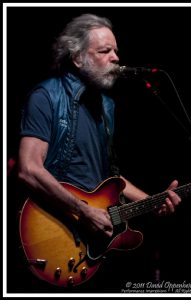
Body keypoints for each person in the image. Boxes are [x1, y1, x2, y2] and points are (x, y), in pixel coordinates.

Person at [17, 13, 181, 289]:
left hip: (94, 240)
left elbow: (110, 177)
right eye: (105, 51)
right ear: (78, 58)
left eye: (116, 50)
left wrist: (153, 201)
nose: (116, 57)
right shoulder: (46, 96)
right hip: (57, 226)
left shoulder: (106, 107)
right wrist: (83, 211)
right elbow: (29, 169)